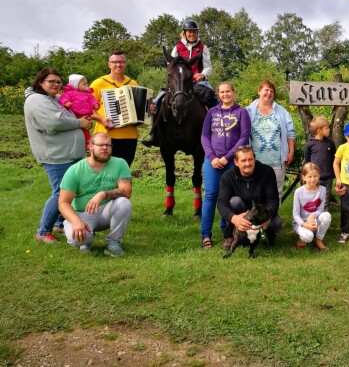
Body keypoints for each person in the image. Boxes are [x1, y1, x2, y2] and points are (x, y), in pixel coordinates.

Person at [24, 68, 92, 244]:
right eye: (51, 81)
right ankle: (42, 232)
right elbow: (54, 122)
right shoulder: (36, 100)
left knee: (69, 191)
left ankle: (58, 224)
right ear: (41, 83)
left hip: (67, 154)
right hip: (56, 155)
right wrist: (80, 123)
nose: (56, 84)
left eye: (58, 82)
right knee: (60, 193)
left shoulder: (51, 99)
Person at [58, 133, 133, 256]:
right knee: (76, 239)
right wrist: (76, 221)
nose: (105, 148)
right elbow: (63, 203)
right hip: (82, 214)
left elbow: (126, 192)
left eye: (108, 145)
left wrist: (102, 194)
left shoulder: (120, 163)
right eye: (101, 145)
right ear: (90, 146)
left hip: (105, 212)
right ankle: (86, 238)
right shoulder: (75, 170)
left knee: (124, 202)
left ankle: (113, 243)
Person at [142, 18, 213, 147]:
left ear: (197, 33)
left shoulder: (203, 48)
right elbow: (171, 64)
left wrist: (202, 74)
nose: (192, 34)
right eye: (189, 32)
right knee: (158, 102)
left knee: (216, 102)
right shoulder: (178, 47)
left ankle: (215, 133)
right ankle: (155, 135)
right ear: (184, 33)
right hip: (179, 82)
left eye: (194, 32)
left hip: (199, 82)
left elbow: (208, 67)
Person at [199, 82, 251, 249]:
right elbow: (205, 136)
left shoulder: (241, 112)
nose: (225, 94)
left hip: (231, 162)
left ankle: (227, 233)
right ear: (218, 95)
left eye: (228, 91)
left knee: (229, 198)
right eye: (222, 92)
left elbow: (244, 137)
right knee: (211, 195)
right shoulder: (211, 113)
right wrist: (212, 157)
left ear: (233, 92)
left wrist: (227, 157)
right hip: (212, 162)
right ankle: (205, 235)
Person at [217, 146, 282, 249]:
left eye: (250, 159)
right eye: (243, 160)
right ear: (236, 162)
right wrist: (234, 218)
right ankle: (231, 236)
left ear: (254, 159)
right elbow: (221, 203)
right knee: (234, 202)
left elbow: (273, 200)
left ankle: (267, 235)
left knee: (276, 222)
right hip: (241, 212)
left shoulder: (267, 172)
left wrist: (267, 218)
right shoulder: (227, 177)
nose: (248, 163)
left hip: (260, 213)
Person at [246, 80, 295, 200]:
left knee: (276, 192)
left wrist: (291, 151)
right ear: (259, 91)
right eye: (266, 90)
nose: (269, 93)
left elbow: (290, 132)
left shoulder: (281, 111)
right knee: (255, 192)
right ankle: (256, 218)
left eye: (271, 91)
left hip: (277, 161)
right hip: (255, 161)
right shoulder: (248, 111)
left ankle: (273, 217)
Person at [90, 51, 139, 167]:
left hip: (130, 137)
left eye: (122, 62)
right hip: (105, 137)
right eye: (115, 62)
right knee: (102, 171)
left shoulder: (132, 83)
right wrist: (101, 119)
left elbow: (138, 108)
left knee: (123, 171)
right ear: (109, 64)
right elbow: (86, 108)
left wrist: (148, 110)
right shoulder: (98, 83)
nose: (118, 65)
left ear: (125, 64)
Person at [292, 163, 332, 250]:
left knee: (327, 215)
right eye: (309, 176)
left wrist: (312, 215)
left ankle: (318, 239)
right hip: (301, 222)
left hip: (314, 220)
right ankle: (302, 238)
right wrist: (305, 225)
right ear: (304, 177)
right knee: (308, 237)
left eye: (315, 176)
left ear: (319, 176)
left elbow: (321, 209)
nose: (313, 179)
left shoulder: (322, 190)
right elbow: (295, 214)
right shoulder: (298, 192)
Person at [59, 74, 100, 150]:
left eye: (86, 83)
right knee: (78, 128)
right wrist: (66, 102)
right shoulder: (69, 92)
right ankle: (81, 142)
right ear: (75, 85)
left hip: (85, 114)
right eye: (84, 84)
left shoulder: (87, 94)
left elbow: (92, 99)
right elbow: (63, 97)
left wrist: (95, 104)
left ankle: (88, 142)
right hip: (74, 113)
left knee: (86, 128)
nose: (86, 85)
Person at [303, 116, 336, 213]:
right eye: (327, 128)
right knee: (313, 199)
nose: (329, 129)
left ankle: (324, 221)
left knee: (325, 201)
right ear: (319, 130)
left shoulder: (330, 143)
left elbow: (334, 159)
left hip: (327, 178)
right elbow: (307, 161)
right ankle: (312, 220)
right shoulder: (310, 144)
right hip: (314, 178)